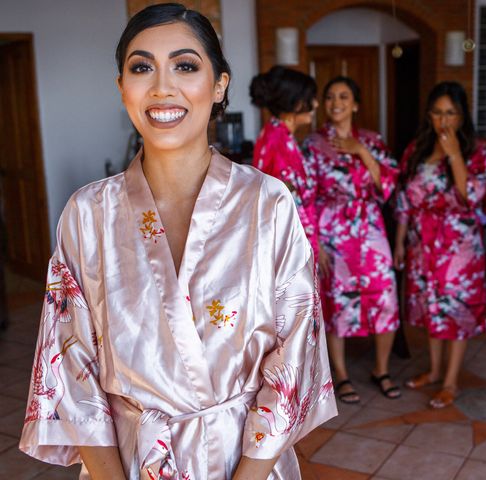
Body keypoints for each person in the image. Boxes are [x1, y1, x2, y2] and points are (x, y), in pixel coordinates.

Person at [19, 4, 336, 479]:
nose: (162, 87)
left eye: (185, 66)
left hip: (245, 461)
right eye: (141, 67)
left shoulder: (268, 204)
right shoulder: (88, 214)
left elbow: (295, 359)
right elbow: (70, 370)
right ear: (122, 88)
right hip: (127, 462)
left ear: (220, 84)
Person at [394, 82, 486, 408]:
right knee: (429, 310)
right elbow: (405, 200)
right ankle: (435, 371)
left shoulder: (478, 152)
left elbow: (472, 196)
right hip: (421, 243)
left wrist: (454, 156)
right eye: (437, 112)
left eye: (450, 113)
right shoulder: (417, 148)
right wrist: (399, 242)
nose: (443, 121)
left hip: (459, 249)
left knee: (456, 313)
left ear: (462, 116)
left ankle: (451, 381)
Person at [303, 76, 400, 403]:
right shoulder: (313, 144)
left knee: (385, 296)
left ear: (355, 104)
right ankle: (341, 374)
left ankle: (381, 368)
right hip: (332, 230)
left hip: (370, 230)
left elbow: (388, 188)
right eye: (330, 96)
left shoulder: (372, 140)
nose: (336, 102)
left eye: (343, 96)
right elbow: (306, 196)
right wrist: (315, 244)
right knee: (338, 301)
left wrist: (362, 152)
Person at [251, 66, 319, 257]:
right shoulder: (277, 142)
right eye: (311, 98)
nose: (316, 105)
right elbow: (287, 203)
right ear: (296, 103)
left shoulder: (279, 135)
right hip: (293, 248)